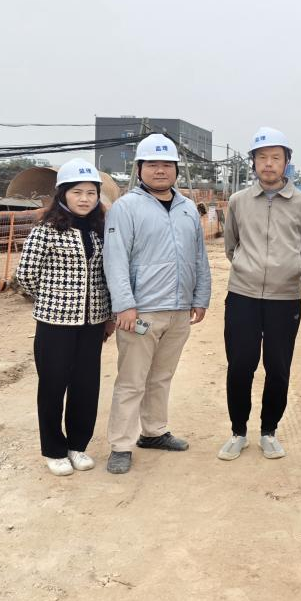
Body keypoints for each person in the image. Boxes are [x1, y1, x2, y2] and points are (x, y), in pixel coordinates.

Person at [102, 134, 211, 475]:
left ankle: (154, 431)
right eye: (152, 164)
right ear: (139, 169)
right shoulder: (126, 208)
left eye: (167, 164)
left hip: (179, 310)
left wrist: (201, 297)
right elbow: (115, 259)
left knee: (162, 376)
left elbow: (199, 256)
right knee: (132, 380)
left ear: (176, 169)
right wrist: (124, 305)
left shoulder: (187, 208)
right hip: (141, 311)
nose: (160, 170)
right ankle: (121, 444)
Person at [217, 127, 301, 462]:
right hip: (242, 297)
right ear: (253, 162)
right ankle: (238, 432)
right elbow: (231, 246)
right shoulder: (238, 202)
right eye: (262, 158)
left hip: (284, 299)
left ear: (287, 162)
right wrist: (247, 267)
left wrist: (292, 275)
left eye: (276, 157)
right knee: (240, 366)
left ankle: (268, 431)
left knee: (278, 368)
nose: (269, 164)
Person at [15, 159, 115, 476]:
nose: (84, 199)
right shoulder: (45, 231)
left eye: (91, 193)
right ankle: (54, 450)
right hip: (54, 323)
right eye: (77, 192)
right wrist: (52, 299)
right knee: (53, 385)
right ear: (63, 194)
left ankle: (77, 446)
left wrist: (107, 312)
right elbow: (25, 275)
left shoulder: (100, 231)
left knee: (86, 386)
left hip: (93, 322)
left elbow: (108, 274)